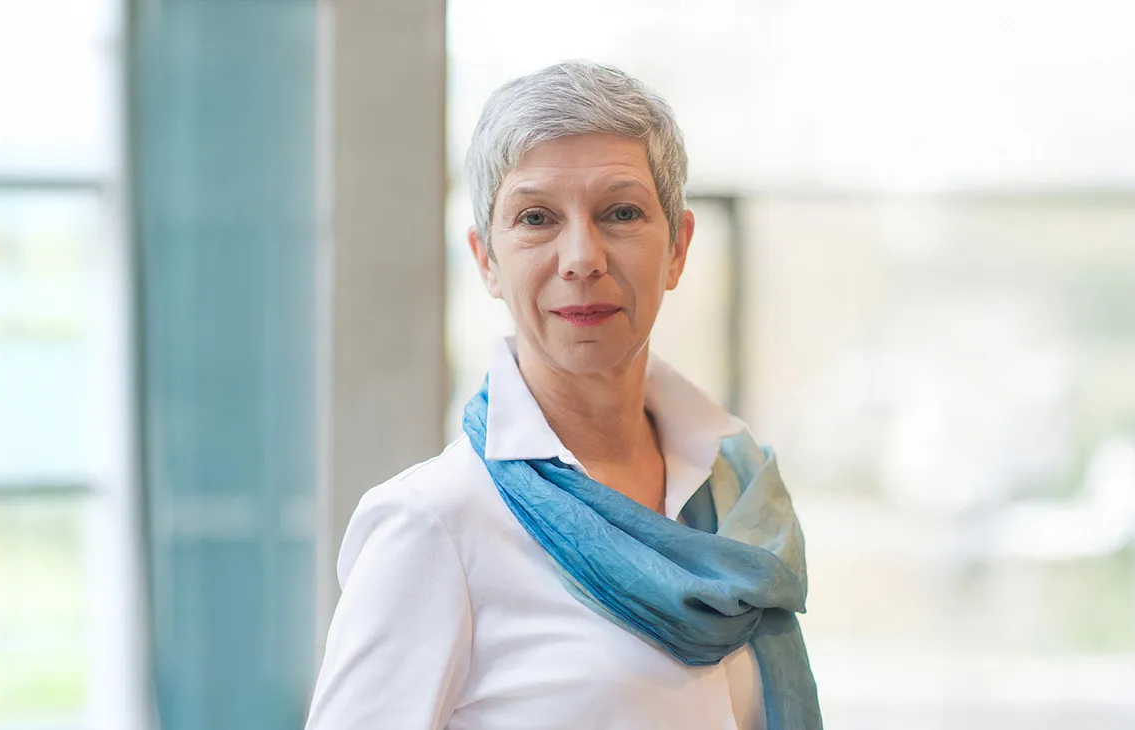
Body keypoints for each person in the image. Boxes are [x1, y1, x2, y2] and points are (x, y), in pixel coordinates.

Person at [305, 61, 819, 730]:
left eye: (621, 213)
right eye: (537, 217)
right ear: (487, 260)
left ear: (678, 248)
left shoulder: (735, 488)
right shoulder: (435, 524)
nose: (582, 257)